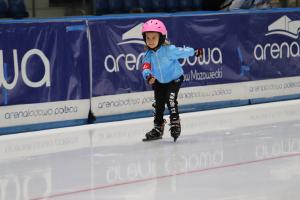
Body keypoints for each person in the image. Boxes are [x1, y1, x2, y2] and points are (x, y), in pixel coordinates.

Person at [141, 19, 203, 142]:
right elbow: (145, 68)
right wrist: (148, 77)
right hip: (159, 81)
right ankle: (158, 128)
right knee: (158, 104)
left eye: (154, 37)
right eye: (148, 38)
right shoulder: (148, 55)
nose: (150, 41)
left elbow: (182, 52)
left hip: (175, 78)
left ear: (162, 38)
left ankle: (175, 122)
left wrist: (195, 52)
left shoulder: (169, 50)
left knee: (170, 99)